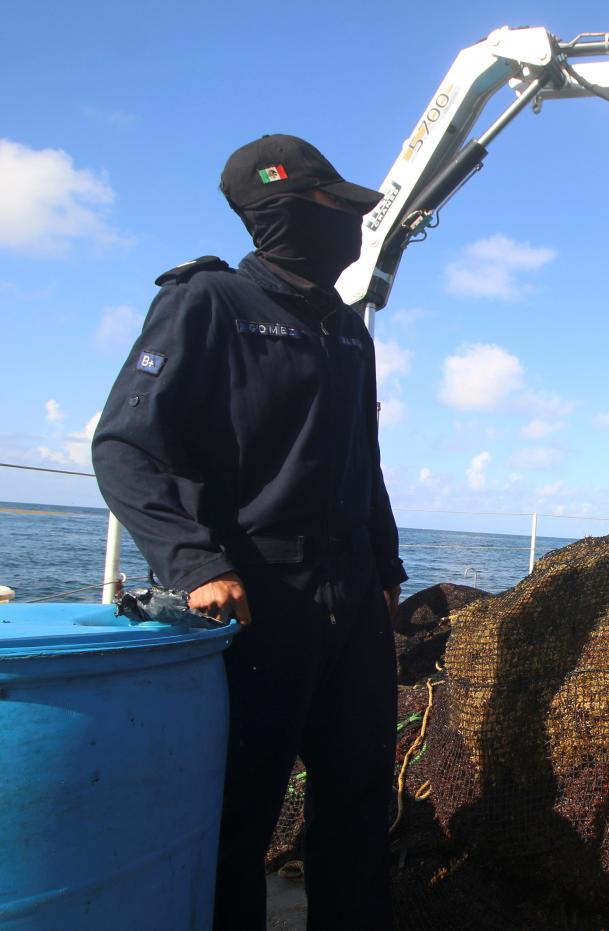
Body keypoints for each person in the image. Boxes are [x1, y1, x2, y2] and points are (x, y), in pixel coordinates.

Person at [92, 134, 406, 930]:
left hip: (352, 599)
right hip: (257, 601)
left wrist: (386, 567)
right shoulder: (210, 302)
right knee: (240, 814)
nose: (350, 227)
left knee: (360, 801)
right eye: (336, 209)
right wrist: (195, 561)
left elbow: (362, 462)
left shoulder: (347, 331)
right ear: (284, 212)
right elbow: (126, 446)